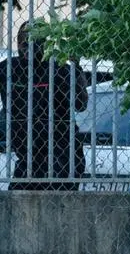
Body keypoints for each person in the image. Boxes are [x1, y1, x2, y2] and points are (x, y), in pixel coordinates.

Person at [0, 24, 88, 190]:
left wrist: (76, 68)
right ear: (18, 44)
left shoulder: (58, 69)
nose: (29, 50)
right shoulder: (9, 69)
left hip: (62, 154)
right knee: (19, 200)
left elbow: (81, 104)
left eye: (36, 44)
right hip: (29, 156)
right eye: (25, 44)